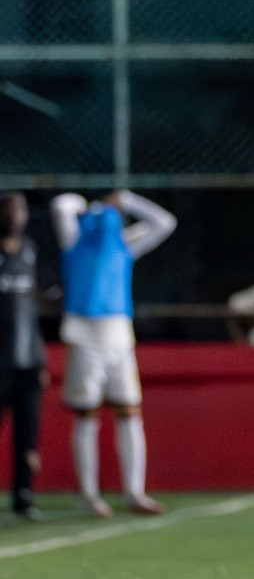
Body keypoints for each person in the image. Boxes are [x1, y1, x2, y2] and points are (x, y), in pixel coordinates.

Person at [50, 189, 176, 518]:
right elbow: (62, 206)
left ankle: (135, 491)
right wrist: (87, 207)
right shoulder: (74, 239)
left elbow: (165, 222)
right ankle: (90, 496)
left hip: (119, 336)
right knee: (87, 413)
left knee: (129, 409)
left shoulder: (125, 241)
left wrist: (128, 200)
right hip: (82, 335)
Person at [0, 194, 47, 521]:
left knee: (28, 431)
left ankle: (23, 495)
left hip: (28, 359)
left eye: (20, 209)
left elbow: (31, 308)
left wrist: (40, 356)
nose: (16, 215)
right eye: (9, 209)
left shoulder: (30, 250)